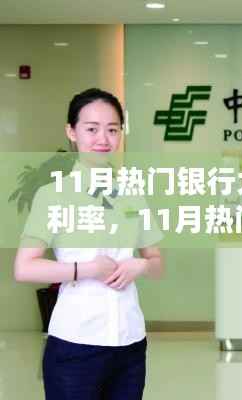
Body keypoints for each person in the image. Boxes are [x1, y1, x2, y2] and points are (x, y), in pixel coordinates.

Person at [14, 88, 164, 399]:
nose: (103, 139)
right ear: (72, 132)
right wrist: (88, 269)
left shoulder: (132, 194)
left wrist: (141, 265)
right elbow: (25, 268)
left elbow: (157, 264)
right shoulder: (52, 196)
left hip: (130, 343)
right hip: (75, 343)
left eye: (112, 130)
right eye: (92, 129)